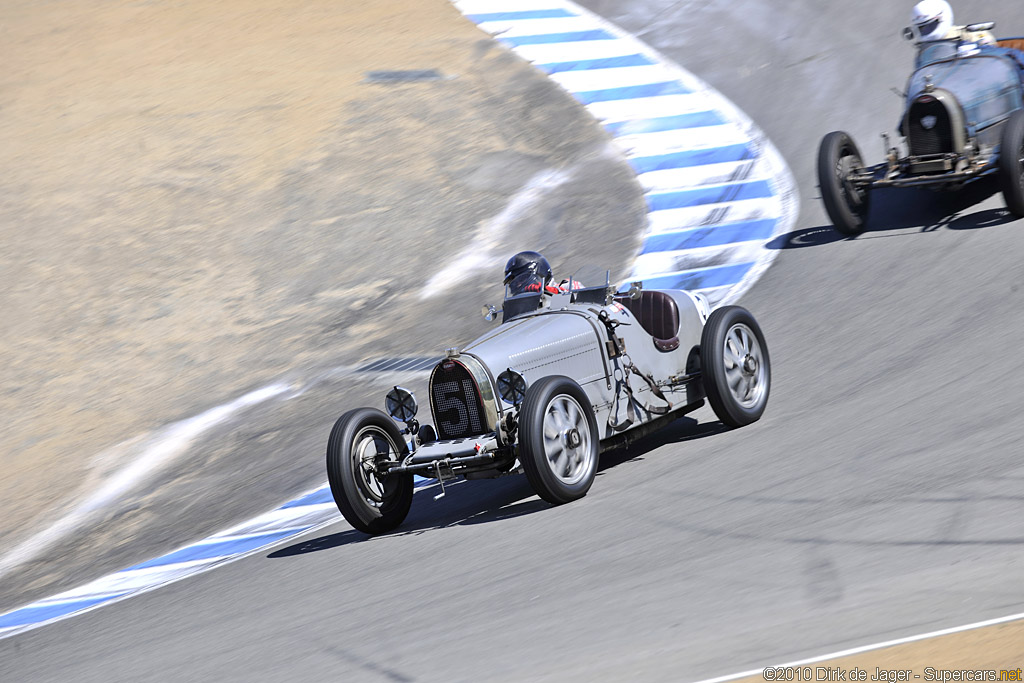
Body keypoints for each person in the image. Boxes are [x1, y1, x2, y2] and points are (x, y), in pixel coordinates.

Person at [909, 0, 995, 45]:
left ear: (941, 18)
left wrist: (977, 47)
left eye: (930, 25)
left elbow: (989, 46)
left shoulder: (967, 33)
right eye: (922, 28)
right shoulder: (925, 50)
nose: (926, 30)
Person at [502, 251, 582, 296]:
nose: (518, 285)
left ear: (541, 272)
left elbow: (580, 297)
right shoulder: (517, 306)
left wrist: (549, 291)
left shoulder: (568, 285)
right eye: (514, 283)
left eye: (522, 279)